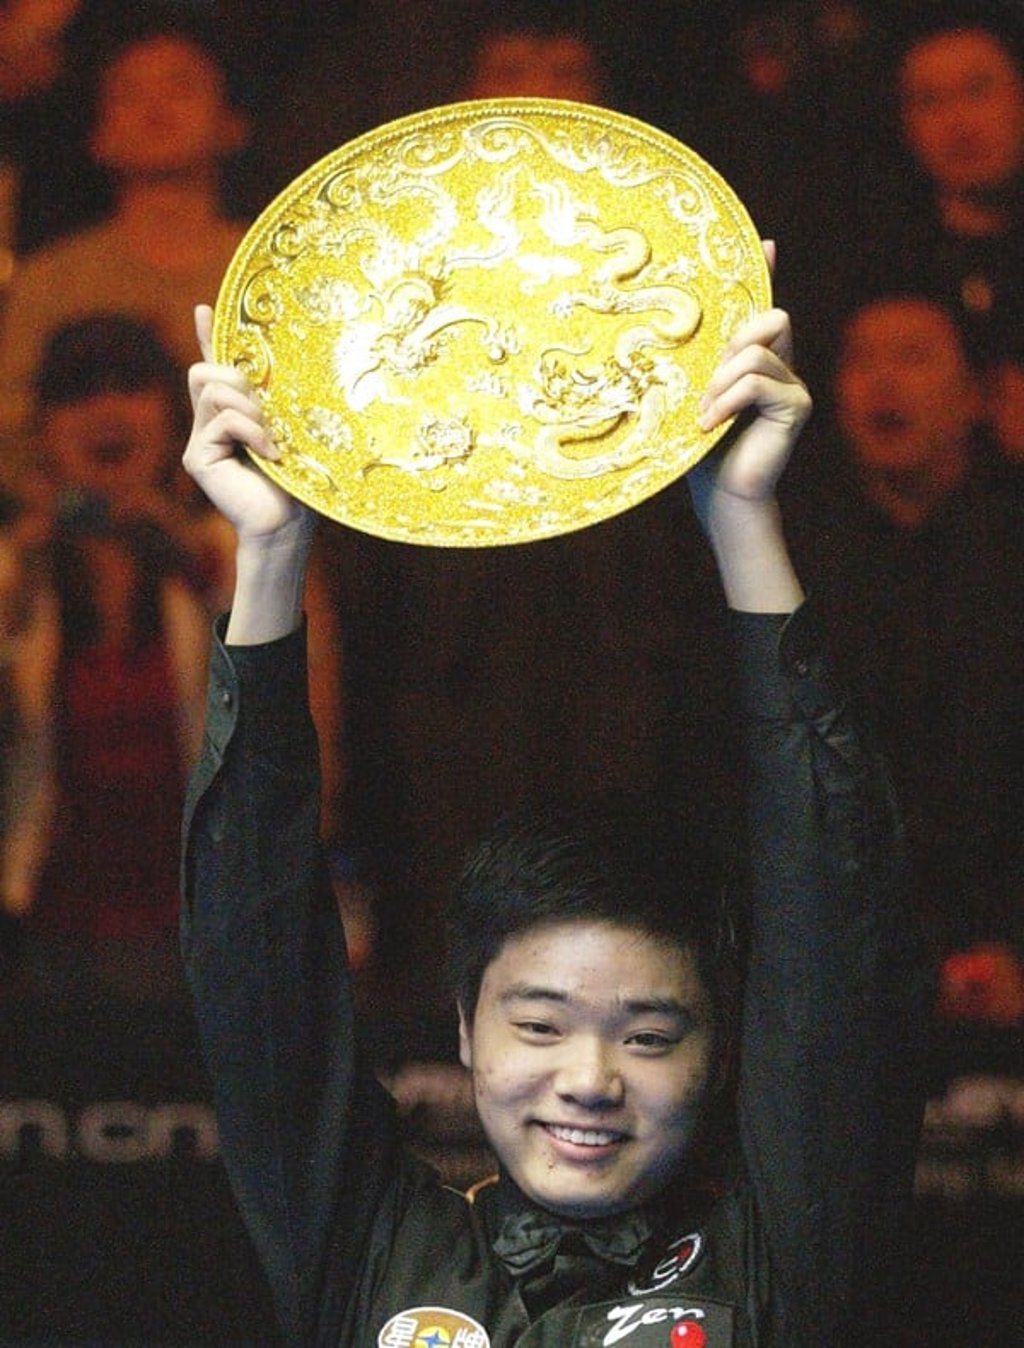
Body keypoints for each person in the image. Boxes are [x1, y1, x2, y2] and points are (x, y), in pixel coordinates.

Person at [180, 268, 929, 1345]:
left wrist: (741, 521)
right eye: (538, 1022)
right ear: (463, 1028)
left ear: (723, 1052)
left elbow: (839, 929)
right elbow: (254, 968)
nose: (589, 1079)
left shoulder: (781, 1255)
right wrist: (271, 553)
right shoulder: (376, 1244)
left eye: (650, 1033)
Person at [789, 291, 1024, 960]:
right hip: (836, 944)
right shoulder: (794, 554)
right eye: (860, 360)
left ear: (978, 396)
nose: (882, 382)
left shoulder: (1004, 554)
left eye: (914, 358)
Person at [0, 6, 251, 456]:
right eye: (129, 93)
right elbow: (12, 429)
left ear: (231, 124)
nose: (156, 107)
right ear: (99, 136)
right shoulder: (51, 281)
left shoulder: (271, 265)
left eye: (181, 86)